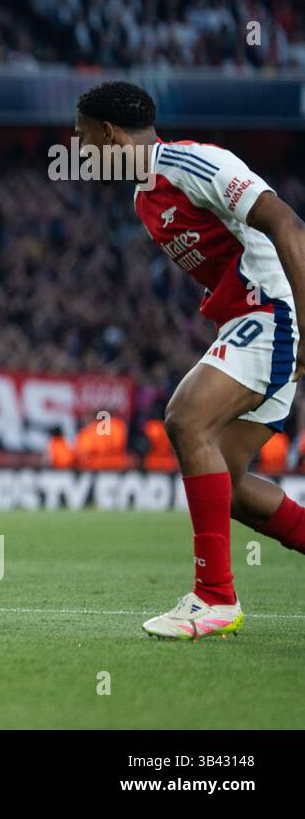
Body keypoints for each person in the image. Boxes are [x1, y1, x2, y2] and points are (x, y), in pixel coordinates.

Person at [75, 80, 305, 640]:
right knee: (226, 481)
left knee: (184, 418)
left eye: (83, 140)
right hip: (246, 320)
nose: (79, 153)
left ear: (108, 134)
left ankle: (215, 599)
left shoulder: (195, 164)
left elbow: (288, 225)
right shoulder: (143, 198)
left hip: (274, 312)